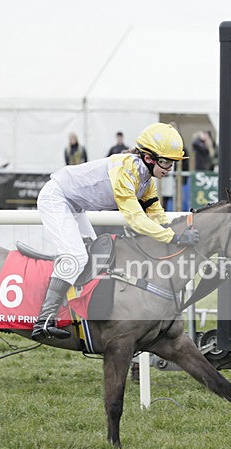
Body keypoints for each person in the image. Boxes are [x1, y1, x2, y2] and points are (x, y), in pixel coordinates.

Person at [32, 123, 198, 340]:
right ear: (149, 158)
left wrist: (178, 231)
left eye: (173, 163)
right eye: (166, 162)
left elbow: (156, 214)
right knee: (77, 257)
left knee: (96, 257)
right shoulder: (127, 171)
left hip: (74, 205)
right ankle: (44, 319)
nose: (169, 169)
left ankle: (78, 313)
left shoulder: (145, 178)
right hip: (57, 198)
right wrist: (174, 237)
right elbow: (137, 220)